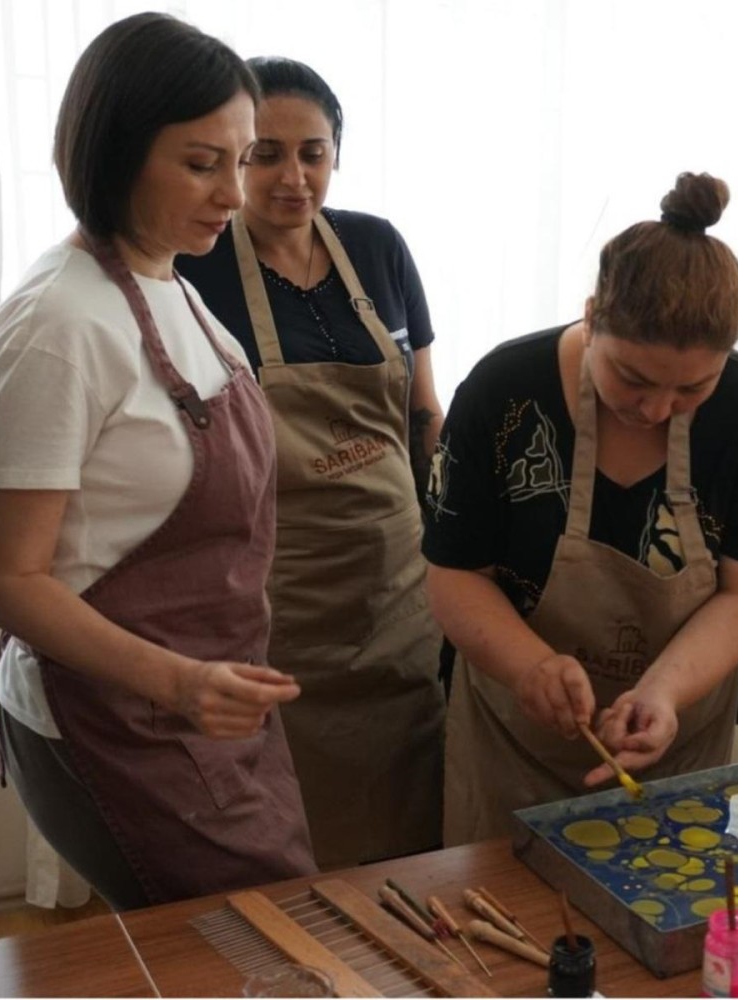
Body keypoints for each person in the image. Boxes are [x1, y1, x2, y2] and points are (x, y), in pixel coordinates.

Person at [0, 13, 315, 909]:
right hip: (117, 718)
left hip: (206, 703)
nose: (236, 195)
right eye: (204, 164)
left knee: (265, 935)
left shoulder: (175, 286)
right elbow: (9, 581)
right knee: (242, 945)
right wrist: (181, 682)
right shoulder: (59, 327)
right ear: (114, 153)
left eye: (240, 161)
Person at [424, 172, 738, 845]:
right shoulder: (504, 394)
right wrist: (530, 666)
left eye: (693, 388)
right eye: (632, 377)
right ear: (592, 316)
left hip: (674, 741)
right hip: (512, 746)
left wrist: (663, 692)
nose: (656, 409)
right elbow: (454, 575)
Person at [177, 57, 444, 867]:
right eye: (266, 153)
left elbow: (425, 411)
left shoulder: (377, 247)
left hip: (400, 588)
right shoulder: (197, 267)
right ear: (234, 160)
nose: (293, 177)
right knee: (296, 835)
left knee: (412, 817)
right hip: (283, 600)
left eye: (313, 153)